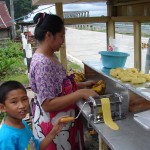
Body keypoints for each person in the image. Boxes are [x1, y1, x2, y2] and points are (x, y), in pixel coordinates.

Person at [29, 12, 98, 150]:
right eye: (61, 36)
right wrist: (80, 93)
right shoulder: (43, 63)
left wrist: (81, 85)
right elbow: (47, 104)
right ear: (49, 35)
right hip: (53, 128)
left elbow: (57, 85)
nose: (63, 40)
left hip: (62, 124)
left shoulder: (49, 56)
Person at [0, 80, 64, 150]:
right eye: (14, 102)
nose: (22, 105)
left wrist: (54, 132)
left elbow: (37, 147)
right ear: (2, 108)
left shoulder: (23, 124)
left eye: (24, 99)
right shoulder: (6, 137)